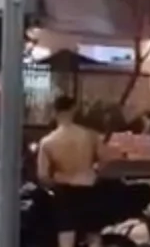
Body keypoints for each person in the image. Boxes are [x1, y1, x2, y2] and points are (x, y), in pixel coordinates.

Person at [37, 95, 106, 247]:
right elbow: (105, 162)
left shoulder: (47, 142)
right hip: (90, 188)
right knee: (93, 233)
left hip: (64, 194)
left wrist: (55, 181)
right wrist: (94, 173)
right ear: (73, 110)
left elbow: (43, 176)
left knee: (66, 234)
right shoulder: (91, 135)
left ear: (54, 112)